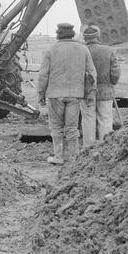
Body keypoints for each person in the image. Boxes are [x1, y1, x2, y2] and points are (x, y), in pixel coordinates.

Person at [37, 22, 97, 165]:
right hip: (75, 94)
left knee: (56, 127)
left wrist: (41, 93)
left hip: (55, 94)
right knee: (72, 127)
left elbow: (43, 75)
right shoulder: (83, 49)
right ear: (73, 34)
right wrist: (90, 92)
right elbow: (92, 73)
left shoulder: (51, 50)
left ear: (58, 34)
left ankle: (58, 157)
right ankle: (75, 159)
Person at [79, 25, 121, 147]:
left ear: (85, 37)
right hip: (105, 91)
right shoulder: (108, 50)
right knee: (106, 119)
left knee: (88, 120)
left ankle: (88, 147)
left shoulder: (81, 51)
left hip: (86, 92)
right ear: (98, 36)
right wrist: (111, 83)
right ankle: (105, 147)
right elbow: (115, 73)